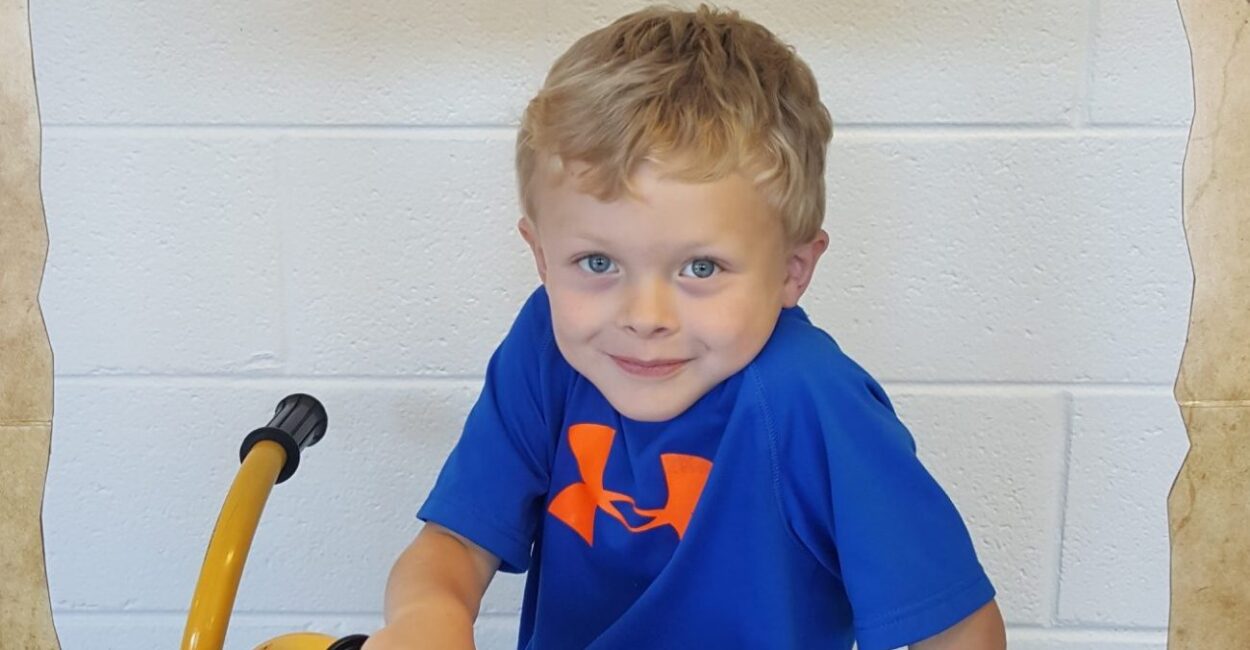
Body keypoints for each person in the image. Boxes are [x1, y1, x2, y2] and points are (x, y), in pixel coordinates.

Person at [364, 5, 1006, 649]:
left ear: (792, 270)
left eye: (701, 268)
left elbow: (961, 631)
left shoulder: (811, 398)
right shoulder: (546, 349)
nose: (645, 318)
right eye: (598, 263)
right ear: (541, 257)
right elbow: (453, 544)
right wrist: (427, 619)